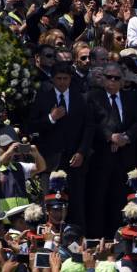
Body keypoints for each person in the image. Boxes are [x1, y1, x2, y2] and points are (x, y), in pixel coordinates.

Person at [28, 62, 94, 226]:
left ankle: (76, 239)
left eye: (66, 78)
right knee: (50, 202)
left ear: (71, 78)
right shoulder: (43, 97)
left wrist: (82, 152)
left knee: (76, 202)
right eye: (59, 78)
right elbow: (31, 125)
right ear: (52, 79)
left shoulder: (81, 98)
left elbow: (89, 127)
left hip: (74, 160)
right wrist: (51, 118)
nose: (62, 82)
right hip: (50, 161)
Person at [86, 62, 137, 239]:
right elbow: (91, 124)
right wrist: (110, 137)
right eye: (108, 77)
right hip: (101, 158)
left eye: (116, 78)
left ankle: (118, 237)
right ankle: (97, 239)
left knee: (120, 200)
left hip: (124, 158)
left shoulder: (131, 98)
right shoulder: (92, 97)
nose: (112, 81)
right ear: (102, 79)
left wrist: (125, 138)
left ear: (122, 81)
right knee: (97, 200)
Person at [0, 132, 46, 213]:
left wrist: (36, 154)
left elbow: (41, 168)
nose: (10, 150)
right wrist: (8, 152)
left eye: (11, 147)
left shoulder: (19, 167)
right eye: (5, 148)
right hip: (2, 220)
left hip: (21, 219)